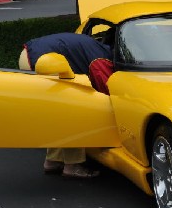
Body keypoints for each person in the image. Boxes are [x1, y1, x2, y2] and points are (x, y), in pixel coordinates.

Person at [19, 32, 113, 179]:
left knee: (58, 114)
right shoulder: (102, 58)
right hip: (43, 61)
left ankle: (53, 161)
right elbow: (105, 88)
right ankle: (72, 166)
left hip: (29, 55)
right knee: (74, 112)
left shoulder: (92, 46)